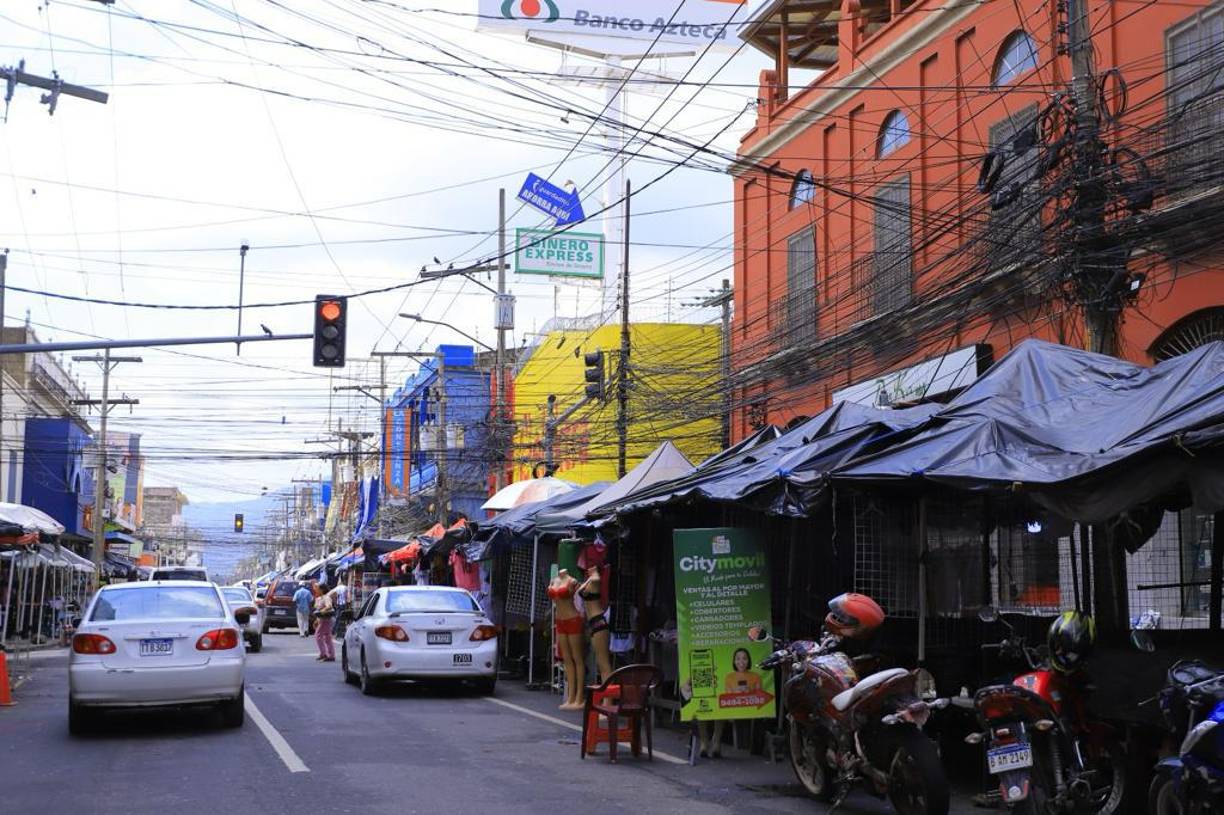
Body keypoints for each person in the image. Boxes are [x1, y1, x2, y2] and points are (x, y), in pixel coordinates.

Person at [547, 569, 585, 710]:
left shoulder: (572, 581)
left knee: (577, 658)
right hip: (560, 621)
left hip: (573, 619)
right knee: (567, 659)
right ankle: (570, 696)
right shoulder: (554, 580)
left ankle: (579, 697)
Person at [313, 591, 336, 661]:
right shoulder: (319, 598)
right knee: (327, 637)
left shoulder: (326, 597)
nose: (315, 591)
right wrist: (317, 619)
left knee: (318, 636)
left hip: (326, 619)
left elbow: (329, 606)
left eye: (317, 589)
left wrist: (322, 611)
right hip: (322, 620)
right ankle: (330, 655)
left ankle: (324, 653)